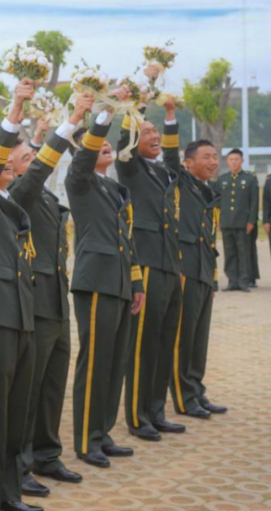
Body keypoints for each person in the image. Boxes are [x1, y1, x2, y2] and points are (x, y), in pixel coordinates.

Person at [0, 79, 68, 511]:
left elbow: (37, 170)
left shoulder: (11, 202)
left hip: (20, 317)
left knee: (12, 415)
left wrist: (70, 123)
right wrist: (15, 110)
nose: (8, 162)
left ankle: (7, 495)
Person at [10, 97, 94, 500]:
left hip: (56, 302)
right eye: (28, 155)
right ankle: (20, 462)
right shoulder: (18, 193)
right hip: (34, 302)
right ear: (14, 167)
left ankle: (47, 453)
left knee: (52, 385)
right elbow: (40, 165)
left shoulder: (44, 195)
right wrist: (69, 123)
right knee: (29, 387)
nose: (37, 159)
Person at [65, 90, 146, 471]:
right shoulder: (79, 182)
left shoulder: (113, 188)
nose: (105, 149)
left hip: (118, 281)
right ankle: (85, 438)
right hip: (95, 281)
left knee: (116, 361)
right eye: (97, 146)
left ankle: (103, 431)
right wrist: (103, 115)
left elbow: (125, 238)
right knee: (96, 362)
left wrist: (137, 283)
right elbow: (83, 158)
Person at [116, 98, 185, 441]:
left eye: (156, 130)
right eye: (146, 132)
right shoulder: (130, 167)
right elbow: (123, 146)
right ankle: (137, 415)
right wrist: (135, 108)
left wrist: (170, 119)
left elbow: (171, 156)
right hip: (147, 265)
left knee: (163, 341)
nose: (153, 134)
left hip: (170, 266)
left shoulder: (162, 169)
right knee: (143, 345)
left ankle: (157, 410)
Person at [170, 140, 227, 419]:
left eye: (215, 156)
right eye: (206, 157)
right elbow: (169, 157)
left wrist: (214, 279)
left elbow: (211, 239)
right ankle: (184, 397)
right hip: (185, 270)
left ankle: (197, 391)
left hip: (204, 271)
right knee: (184, 337)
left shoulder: (210, 190)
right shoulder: (181, 182)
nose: (213, 161)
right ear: (188, 162)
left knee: (199, 338)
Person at [216, 149, 259, 292]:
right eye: (230, 159)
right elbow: (218, 201)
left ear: (242, 160)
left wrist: (251, 221)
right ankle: (232, 281)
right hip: (227, 221)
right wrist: (218, 220)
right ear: (227, 161)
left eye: (236, 159)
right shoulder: (222, 179)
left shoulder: (250, 179)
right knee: (229, 253)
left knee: (243, 252)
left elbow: (254, 202)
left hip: (243, 223)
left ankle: (244, 281)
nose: (233, 162)